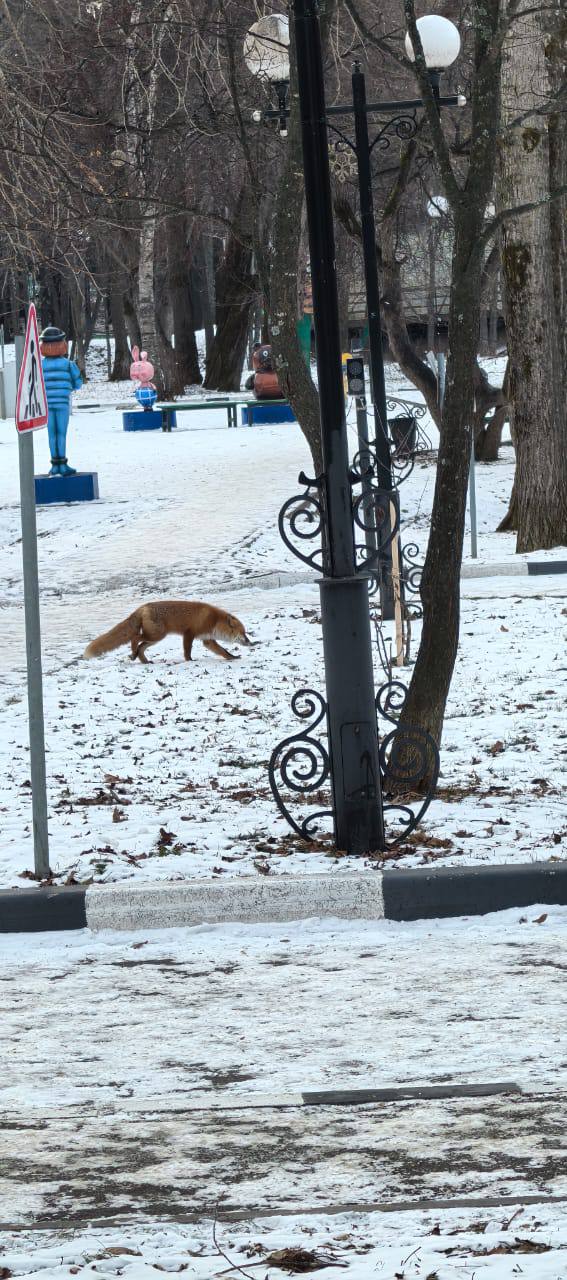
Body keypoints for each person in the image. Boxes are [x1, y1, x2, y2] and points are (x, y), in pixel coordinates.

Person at [39, 326, 82, 476]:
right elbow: (78, 383)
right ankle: (62, 465)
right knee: (61, 433)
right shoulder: (68, 364)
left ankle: (54, 465)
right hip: (62, 403)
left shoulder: (40, 365)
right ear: (62, 344)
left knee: (51, 434)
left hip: (47, 404)